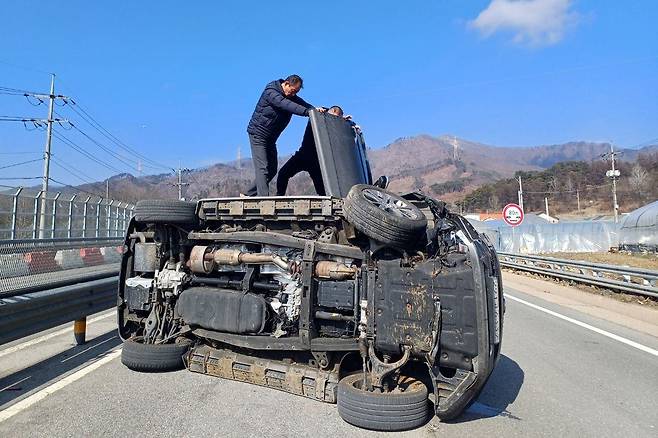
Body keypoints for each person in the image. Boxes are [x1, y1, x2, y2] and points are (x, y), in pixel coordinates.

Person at [245, 75, 324, 196]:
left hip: (270, 138)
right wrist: (307, 112)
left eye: (296, 93)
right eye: (293, 91)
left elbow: (305, 105)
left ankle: (248, 194)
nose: (293, 95)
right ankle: (263, 199)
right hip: (258, 134)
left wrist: (316, 111)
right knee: (263, 168)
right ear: (286, 84)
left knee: (272, 169)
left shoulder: (290, 96)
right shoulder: (271, 92)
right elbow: (286, 105)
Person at [276, 105, 344, 196]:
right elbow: (315, 111)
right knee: (283, 174)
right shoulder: (317, 114)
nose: (334, 121)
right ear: (333, 112)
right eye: (335, 118)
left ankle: (325, 205)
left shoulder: (333, 125)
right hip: (303, 155)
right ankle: (279, 196)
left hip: (318, 159)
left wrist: (345, 123)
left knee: (321, 189)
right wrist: (319, 111)